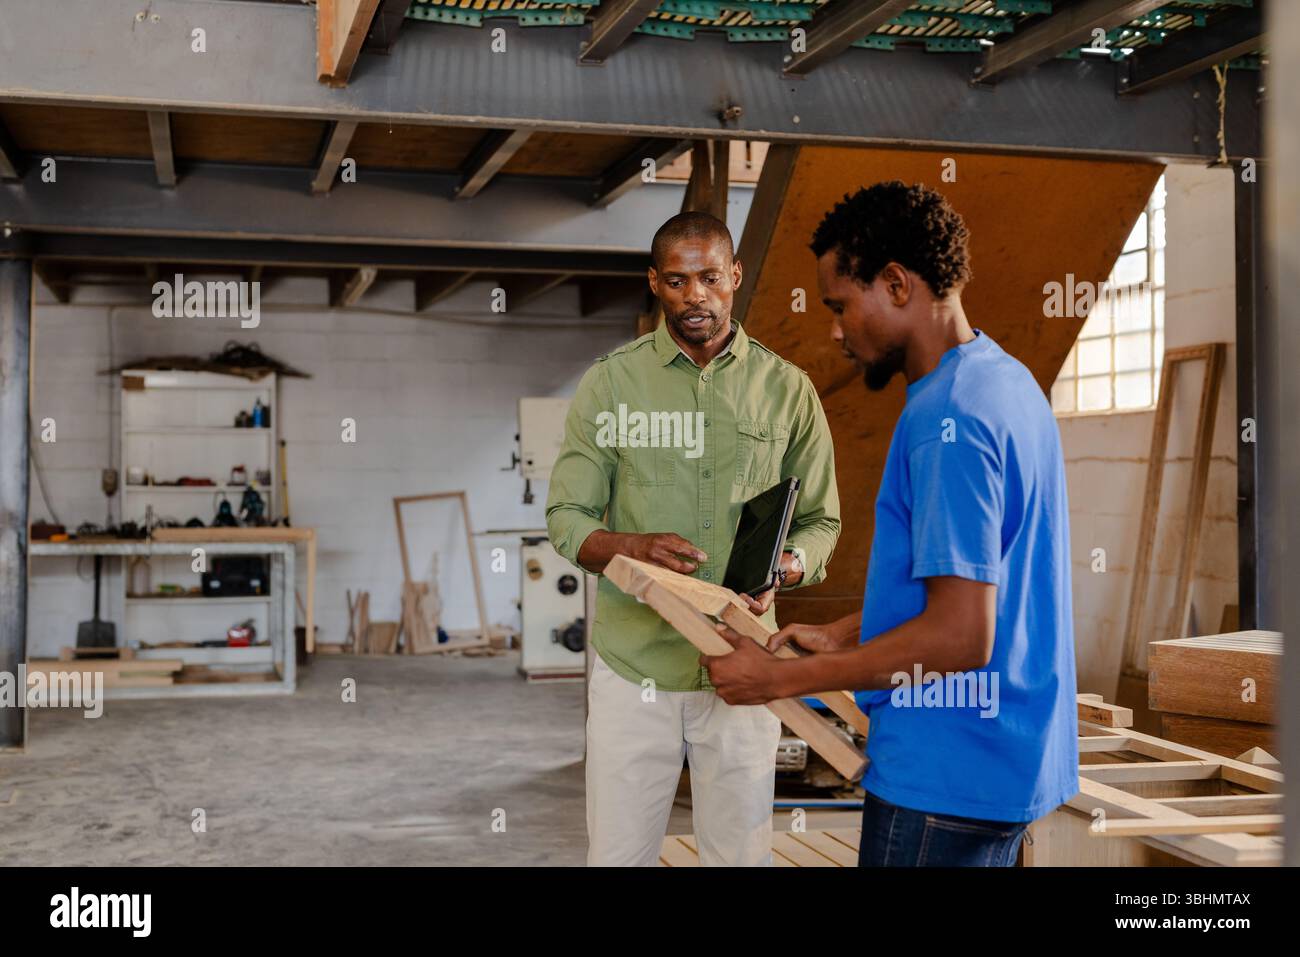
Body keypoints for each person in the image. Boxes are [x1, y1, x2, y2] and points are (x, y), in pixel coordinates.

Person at [702, 182, 1078, 867]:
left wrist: (777, 680)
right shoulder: (1007, 381)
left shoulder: (948, 420)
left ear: (897, 284)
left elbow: (962, 634)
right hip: (1006, 760)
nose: (837, 331)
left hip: (943, 772)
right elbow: (978, 585)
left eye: (841, 305)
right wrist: (852, 629)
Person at [546, 211, 841, 866]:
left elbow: (822, 523)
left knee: (739, 859)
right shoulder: (611, 384)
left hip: (745, 664)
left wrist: (786, 568)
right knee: (618, 856)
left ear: (734, 275)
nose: (695, 296)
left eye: (709, 277)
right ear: (655, 282)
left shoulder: (787, 390)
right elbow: (567, 517)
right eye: (677, 281)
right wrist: (630, 546)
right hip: (633, 672)